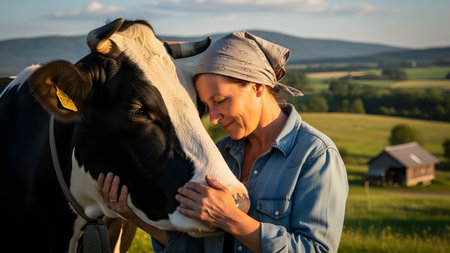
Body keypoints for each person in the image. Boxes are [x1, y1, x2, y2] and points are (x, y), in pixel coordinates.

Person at [98, 31, 348, 253]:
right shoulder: (219, 154)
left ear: (257, 86)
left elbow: (316, 249)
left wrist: (231, 219)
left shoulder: (315, 155)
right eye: (207, 106)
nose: (214, 119)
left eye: (221, 100)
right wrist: (134, 217)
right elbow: (193, 247)